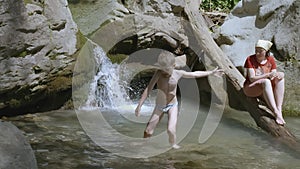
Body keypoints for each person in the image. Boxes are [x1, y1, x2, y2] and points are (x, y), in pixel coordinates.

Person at [135, 50, 224, 149]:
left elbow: (194, 74)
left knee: (171, 130)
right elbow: (149, 88)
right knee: (148, 131)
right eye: (162, 69)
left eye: (167, 70)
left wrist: (211, 72)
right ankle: (144, 144)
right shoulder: (158, 74)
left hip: (172, 106)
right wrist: (139, 105)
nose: (164, 72)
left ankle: (173, 144)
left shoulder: (178, 73)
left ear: (174, 66)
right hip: (159, 106)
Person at [243, 40, 286, 125]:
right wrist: (267, 75)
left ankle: (279, 109)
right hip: (250, 88)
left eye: (260, 51)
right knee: (266, 81)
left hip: (264, 88)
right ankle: (275, 112)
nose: (257, 53)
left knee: (281, 79)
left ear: (266, 51)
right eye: (256, 51)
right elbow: (252, 78)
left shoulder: (271, 60)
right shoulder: (250, 59)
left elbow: (273, 75)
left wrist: (280, 74)